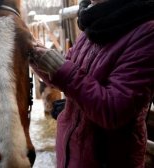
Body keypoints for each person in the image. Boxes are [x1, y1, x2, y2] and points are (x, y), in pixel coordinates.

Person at [29, 0, 154, 167]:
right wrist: (34, 54)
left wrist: (60, 68)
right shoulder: (96, 21)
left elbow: (113, 109)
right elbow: (67, 70)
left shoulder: (146, 32)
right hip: (70, 155)